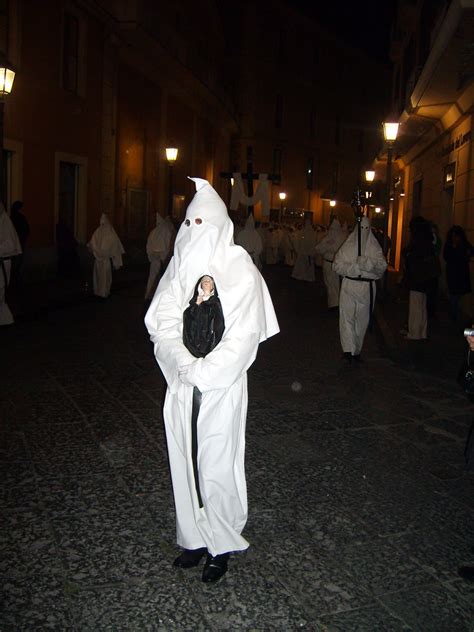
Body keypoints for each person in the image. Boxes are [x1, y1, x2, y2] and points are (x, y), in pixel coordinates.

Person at [145, 177, 279, 583]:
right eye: (189, 223)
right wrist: (183, 363)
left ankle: (221, 541)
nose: (193, 232)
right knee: (184, 460)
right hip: (182, 383)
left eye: (202, 223)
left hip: (221, 387)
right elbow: (161, 321)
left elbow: (243, 337)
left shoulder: (241, 273)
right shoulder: (180, 266)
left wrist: (206, 371)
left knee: (216, 463)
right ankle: (194, 536)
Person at [333, 216, 387, 362]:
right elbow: (337, 265)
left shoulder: (374, 248)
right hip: (349, 285)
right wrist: (354, 268)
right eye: (361, 229)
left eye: (366, 229)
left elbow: (381, 267)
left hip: (366, 288)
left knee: (362, 320)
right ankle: (348, 349)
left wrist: (368, 264)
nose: (364, 232)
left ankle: (356, 349)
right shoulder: (348, 246)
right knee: (346, 317)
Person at [402, 217, 440, 339]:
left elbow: (411, 256)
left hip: (417, 278)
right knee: (422, 306)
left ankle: (414, 333)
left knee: (416, 306)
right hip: (427, 279)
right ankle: (422, 332)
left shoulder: (418, 241)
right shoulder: (429, 240)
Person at [87, 213, 125, 298]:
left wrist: (96, 251)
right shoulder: (109, 231)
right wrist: (116, 261)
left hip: (99, 260)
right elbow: (115, 247)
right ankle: (103, 293)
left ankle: (98, 292)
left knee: (99, 277)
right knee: (104, 277)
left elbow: (92, 244)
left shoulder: (98, 231)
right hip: (105, 260)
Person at [315, 218, 346, 310]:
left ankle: (334, 304)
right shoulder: (341, 237)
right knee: (334, 284)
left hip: (332, 264)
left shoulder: (332, 237)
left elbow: (319, 248)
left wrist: (328, 247)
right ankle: (336, 303)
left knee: (332, 284)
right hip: (334, 264)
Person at [443, 225, 473, 322]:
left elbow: (470, 252)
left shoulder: (464, 244)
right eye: (453, 236)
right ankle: (453, 315)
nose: (454, 238)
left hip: (461, 272)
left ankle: (454, 313)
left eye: (456, 236)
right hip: (452, 272)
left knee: (457, 294)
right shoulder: (449, 244)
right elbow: (446, 256)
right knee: (453, 294)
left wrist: (466, 253)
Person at [0, 202, 22, 325]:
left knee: (0, 292)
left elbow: (10, 245)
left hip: (3, 263)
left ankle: (6, 320)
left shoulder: (5, 221)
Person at [145, 212, 173, 299]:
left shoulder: (154, 232)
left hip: (157, 260)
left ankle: (152, 295)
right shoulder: (167, 231)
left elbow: (149, 246)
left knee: (154, 277)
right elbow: (169, 245)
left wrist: (152, 255)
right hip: (161, 259)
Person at [10, 200, 29, 285]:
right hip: (18, 242)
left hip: (16, 242)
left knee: (16, 262)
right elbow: (26, 229)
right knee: (17, 262)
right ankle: (16, 278)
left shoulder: (12, 217)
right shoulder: (19, 217)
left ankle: (15, 278)